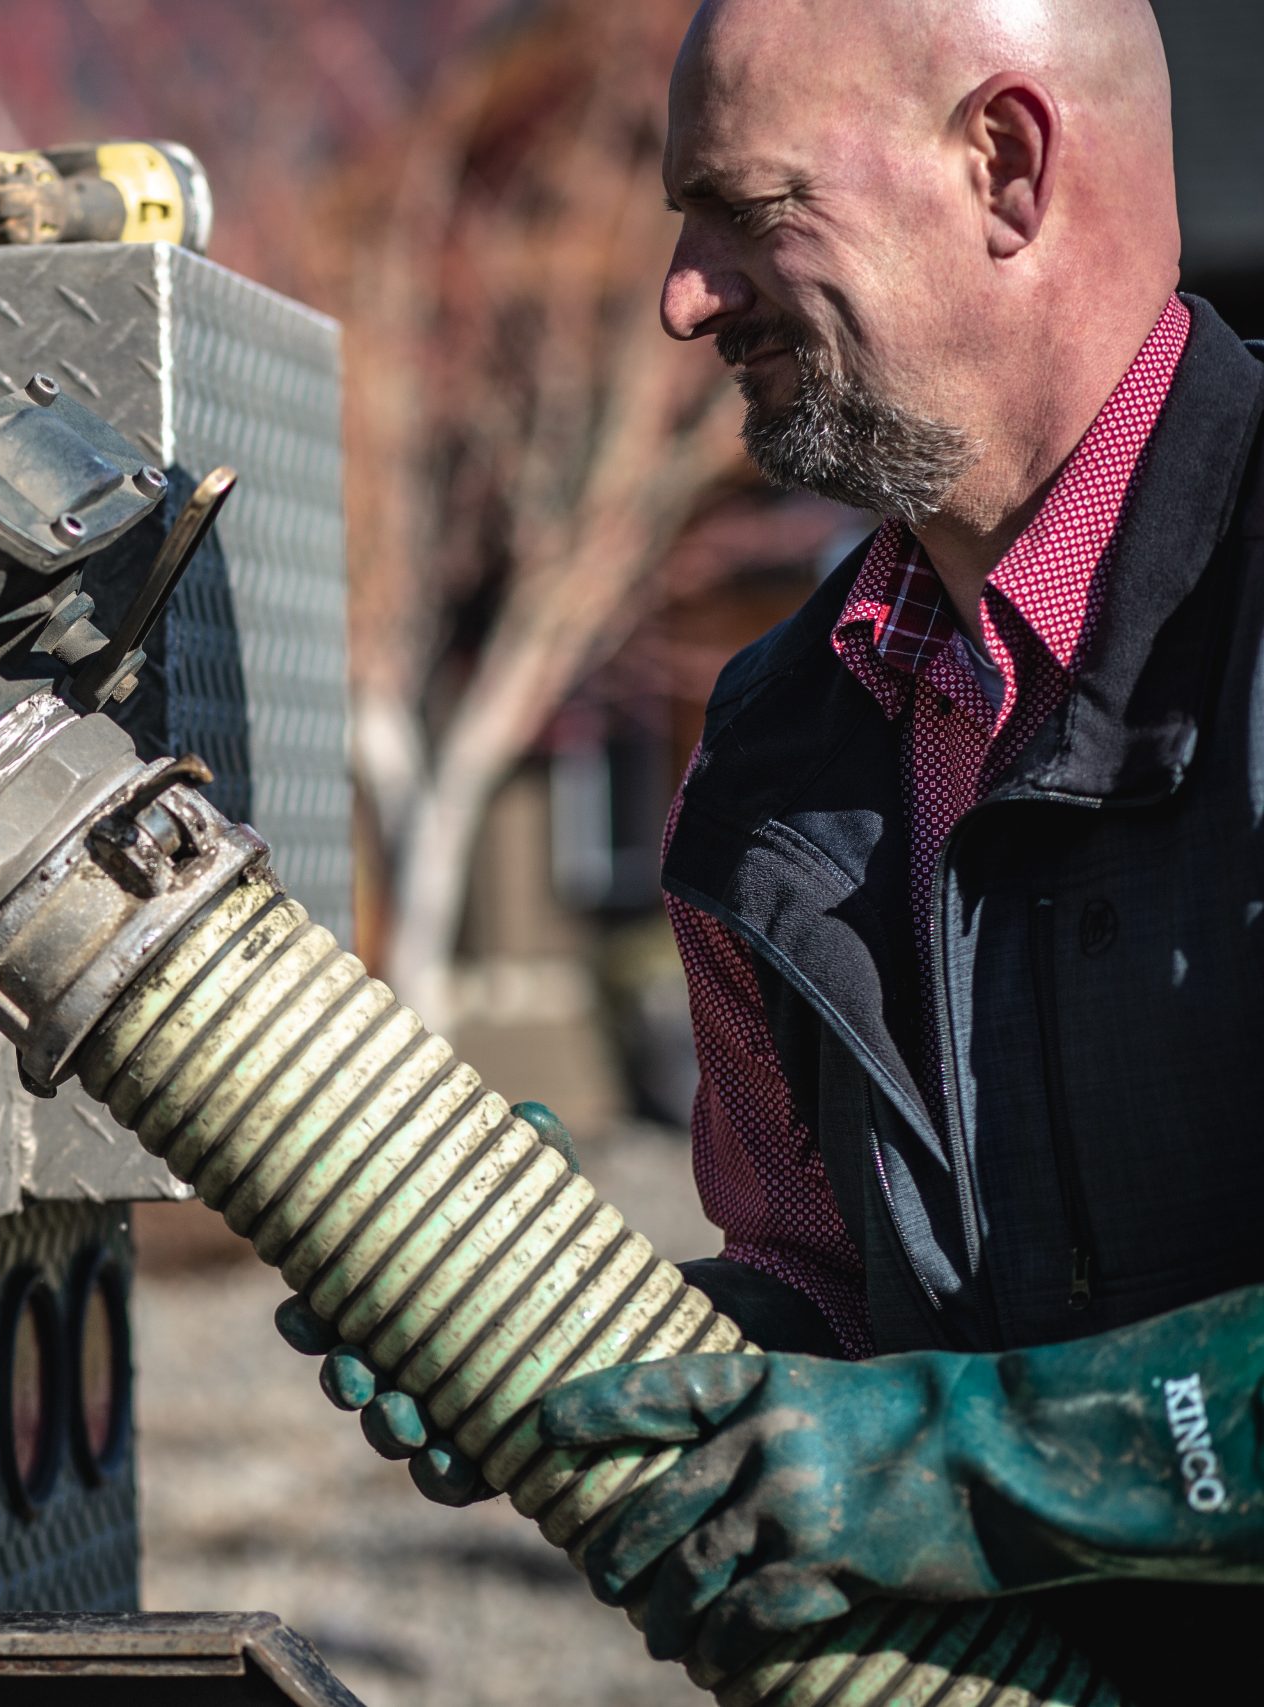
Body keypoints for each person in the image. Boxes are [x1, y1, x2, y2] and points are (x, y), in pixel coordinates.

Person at [283, 0, 1264, 1693]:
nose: (682, 295)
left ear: (1008, 169)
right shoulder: (773, 757)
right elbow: (838, 1312)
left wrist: (953, 1463)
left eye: (751, 208)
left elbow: (909, 1437)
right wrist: (539, 1329)